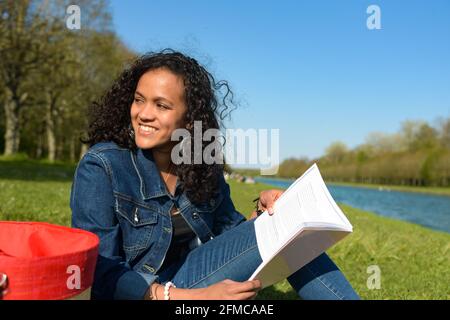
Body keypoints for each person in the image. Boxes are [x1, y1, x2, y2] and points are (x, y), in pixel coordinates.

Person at [70, 49, 360, 300]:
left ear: (189, 116)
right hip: (143, 293)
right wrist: (193, 297)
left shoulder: (200, 165)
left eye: (161, 105)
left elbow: (230, 233)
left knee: (289, 226)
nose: (144, 114)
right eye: (139, 100)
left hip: (187, 276)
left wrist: (266, 212)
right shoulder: (103, 165)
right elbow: (97, 267)